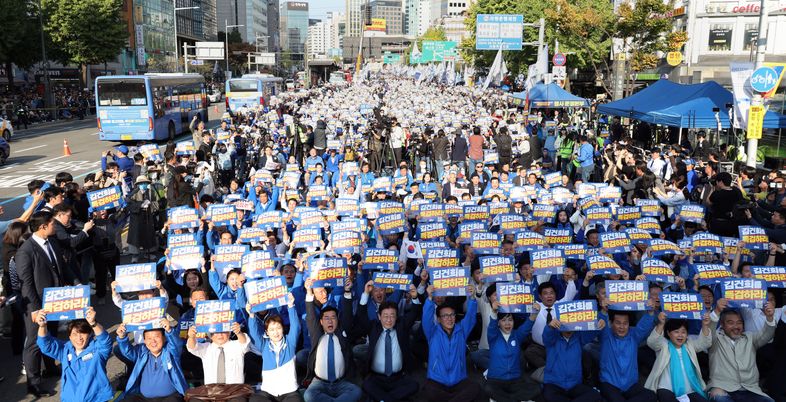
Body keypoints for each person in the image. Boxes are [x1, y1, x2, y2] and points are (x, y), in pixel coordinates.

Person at [16, 211, 75, 397]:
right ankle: (33, 383)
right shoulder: (26, 251)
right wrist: (35, 309)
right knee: (34, 343)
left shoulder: (53, 242)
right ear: (43, 226)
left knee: (51, 335)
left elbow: (60, 267)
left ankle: (50, 366)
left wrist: (71, 284)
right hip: (37, 305)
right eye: (52, 224)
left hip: (55, 302)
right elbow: (26, 284)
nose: (55, 226)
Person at [356, 282, 422, 402]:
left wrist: (415, 297)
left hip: (398, 378)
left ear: (397, 317)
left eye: (392, 315)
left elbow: (414, 313)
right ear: (379, 316)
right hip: (377, 378)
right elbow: (360, 315)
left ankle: (382, 399)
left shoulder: (402, 326)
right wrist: (366, 293)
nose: (389, 319)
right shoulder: (373, 327)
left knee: (414, 386)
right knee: (366, 385)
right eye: (385, 316)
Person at [35, 307, 113, 402]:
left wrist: (93, 323)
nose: (79, 338)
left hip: (96, 399)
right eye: (75, 334)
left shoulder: (98, 350)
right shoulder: (65, 350)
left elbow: (105, 341)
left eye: (83, 333)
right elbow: (45, 345)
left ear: (90, 334)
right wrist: (42, 326)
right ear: (70, 337)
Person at [706, 299, 777, 402]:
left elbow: (767, 334)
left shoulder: (750, 338)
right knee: (720, 398)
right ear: (722, 324)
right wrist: (717, 311)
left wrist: (769, 317)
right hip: (722, 388)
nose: (736, 326)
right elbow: (708, 331)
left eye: (739, 323)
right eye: (730, 323)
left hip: (750, 389)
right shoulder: (715, 338)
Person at [303, 278, 362, 402]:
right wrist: (309, 292)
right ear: (321, 322)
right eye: (326, 318)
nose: (330, 321)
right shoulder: (317, 335)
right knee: (308, 396)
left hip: (341, 383)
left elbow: (347, 313)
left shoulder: (342, 334)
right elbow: (310, 315)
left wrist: (347, 291)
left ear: (337, 321)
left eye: (333, 318)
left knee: (356, 391)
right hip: (319, 383)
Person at [422, 283, 481, 402]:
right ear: (438, 319)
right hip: (437, 380)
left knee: (475, 388)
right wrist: (429, 298)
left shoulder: (462, 330)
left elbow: (470, 317)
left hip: (458, 380)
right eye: (445, 316)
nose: (449, 318)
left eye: (452, 315)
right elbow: (426, 318)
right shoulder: (432, 332)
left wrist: (472, 298)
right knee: (427, 391)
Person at [246, 294, 303, 402]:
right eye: (272, 330)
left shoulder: (290, 343)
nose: (275, 332)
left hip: (289, 392)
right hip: (268, 392)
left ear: (283, 329)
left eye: (278, 328)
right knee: (254, 400)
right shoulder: (264, 345)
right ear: (267, 332)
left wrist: (291, 305)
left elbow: (296, 326)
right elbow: (254, 333)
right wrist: (251, 315)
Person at [116, 318, 189, 402]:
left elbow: (176, 344)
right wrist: (122, 337)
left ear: (164, 338)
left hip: (169, 397)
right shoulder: (142, 352)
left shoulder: (170, 352)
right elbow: (127, 351)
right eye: (149, 338)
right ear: (145, 341)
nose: (153, 341)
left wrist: (169, 331)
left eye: (156, 337)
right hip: (143, 398)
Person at [645, 312, 712, 402]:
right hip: (666, 388)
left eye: (683, 332)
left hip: (690, 389)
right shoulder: (663, 345)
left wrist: (705, 325)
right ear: (668, 333)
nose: (680, 335)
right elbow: (652, 341)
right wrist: (661, 323)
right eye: (676, 332)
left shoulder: (689, 344)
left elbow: (705, 343)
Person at [542, 313, 605, 402]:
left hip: (574, 385)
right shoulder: (552, 338)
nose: (569, 328)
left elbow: (595, 329)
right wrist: (550, 327)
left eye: (572, 324)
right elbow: (546, 336)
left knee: (594, 395)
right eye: (566, 324)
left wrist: (600, 321)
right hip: (554, 384)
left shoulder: (579, 337)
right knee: (548, 396)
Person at [598, 308, 658, 402]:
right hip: (609, 384)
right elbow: (601, 324)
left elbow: (643, 327)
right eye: (618, 323)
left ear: (629, 324)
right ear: (611, 323)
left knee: (651, 396)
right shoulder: (606, 336)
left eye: (625, 323)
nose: (622, 327)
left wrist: (650, 312)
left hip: (630, 385)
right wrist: (604, 311)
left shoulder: (633, 335)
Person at [484, 306, 542, 402]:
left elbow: (527, 326)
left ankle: (506, 399)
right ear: (498, 323)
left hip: (515, 380)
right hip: (496, 380)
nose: (507, 323)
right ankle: (515, 399)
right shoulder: (493, 336)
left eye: (510, 320)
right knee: (488, 389)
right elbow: (492, 326)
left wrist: (535, 312)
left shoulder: (517, 335)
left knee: (537, 388)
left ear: (514, 322)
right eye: (503, 320)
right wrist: (494, 312)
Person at [186, 322, 253, 402]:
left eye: (223, 331)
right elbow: (192, 347)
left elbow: (245, 343)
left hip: (235, 391)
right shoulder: (206, 348)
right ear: (210, 334)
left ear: (229, 332)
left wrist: (239, 332)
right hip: (211, 392)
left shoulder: (236, 345)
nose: (220, 335)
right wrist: (191, 337)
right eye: (216, 332)